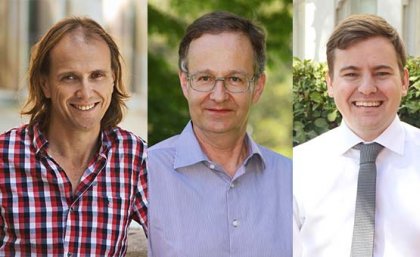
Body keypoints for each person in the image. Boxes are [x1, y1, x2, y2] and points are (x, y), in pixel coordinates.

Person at [148, 11, 292, 257]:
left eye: (235, 79)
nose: (218, 95)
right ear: (185, 84)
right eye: (204, 78)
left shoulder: (292, 180)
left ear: (257, 87)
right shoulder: (145, 172)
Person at [0, 17, 148, 256]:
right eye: (69, 77)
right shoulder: (5, 156)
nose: (85, 92)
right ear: (45, 84)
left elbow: (178, 239)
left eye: (97, 75)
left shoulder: (136, 158)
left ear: (113, 79)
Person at [293, 14, 420, 256]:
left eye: (381, 73)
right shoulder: (297, 168)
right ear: (330, 83)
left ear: (404, 81)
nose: (367, 88)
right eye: (351, 74)